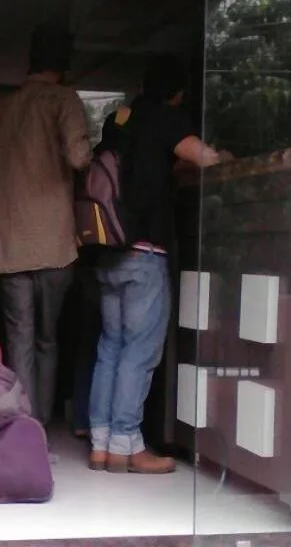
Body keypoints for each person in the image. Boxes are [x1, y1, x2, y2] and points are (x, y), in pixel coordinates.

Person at [89, 56, 227, 474]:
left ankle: (101, 445)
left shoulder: (120, 119)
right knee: (139, 352)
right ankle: (128, 446)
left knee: (110, 349)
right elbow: (205, 158)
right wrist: (220, 154)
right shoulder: (165, 118)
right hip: (145, 253)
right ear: (177, 93)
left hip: (108, 251)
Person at [0, 24, 92, 426]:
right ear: (62, 67)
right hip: (53, 243)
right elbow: (79, 158)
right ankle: (41, 429)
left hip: (9, 244)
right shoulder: (63, 100)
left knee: (19, 342)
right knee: (48, 341)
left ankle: (21, 428)